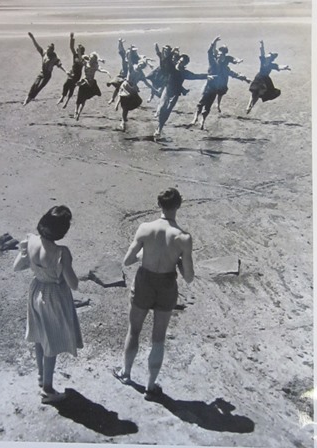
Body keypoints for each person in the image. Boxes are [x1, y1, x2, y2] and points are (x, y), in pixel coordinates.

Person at [113, 188, 194, 400]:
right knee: (158, 337)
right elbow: (189, 277)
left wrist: (143, 254)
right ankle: (150, 386)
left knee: (134, 330)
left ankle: (126, 373)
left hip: (144, 281)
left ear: (159, 205)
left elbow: (128, 260)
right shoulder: (183, 238)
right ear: (178, 205)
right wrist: (177, 262)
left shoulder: (145, 228)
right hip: (167, 284)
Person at [13, 205, 83, 404]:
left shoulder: (31, 240)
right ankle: (48, 389)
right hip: (54, 295)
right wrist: (63, 269)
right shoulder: (61, 252)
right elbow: (74, 284)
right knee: (51, 341)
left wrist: (26, 254)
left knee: (39, 336)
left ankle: (41, 375)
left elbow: (16, 267)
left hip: (36, 289)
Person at [190, 36, 250, 130]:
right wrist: (213, 41)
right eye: (218, 55)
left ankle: (202, 122)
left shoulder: (225, 67)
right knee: (200, 103)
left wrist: (245, 79)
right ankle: (195, 118)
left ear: (223, 57)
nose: (219, 57)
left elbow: (233, 74)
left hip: (215, 89)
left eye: (221, 56)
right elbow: (209, 52)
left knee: (208, 106)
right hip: (208, 87)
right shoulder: (212, 63)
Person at [154, 52, 213, 139]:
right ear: (178, 60)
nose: (180, 63)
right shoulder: (171, 68)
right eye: (180, 61)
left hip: (175, 94)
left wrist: (207, 76)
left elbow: (195, 76)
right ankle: (159, 125)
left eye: (183, 62)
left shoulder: (184, 73)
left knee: (167, 111)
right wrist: (172, 52)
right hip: (167, 91)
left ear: (185, 64)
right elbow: (164, 61)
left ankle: (159, 129)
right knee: (162, 108)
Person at [115, 46, 157, 131]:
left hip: (132, 90)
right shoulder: (131, 67)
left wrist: (154, 90)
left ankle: (124, 119)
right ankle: (122, 121)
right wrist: (130, 51)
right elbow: (129, 60)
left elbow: (147, 83)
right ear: (138, 63)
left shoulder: (141, 74)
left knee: (132, 104)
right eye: (141, 63)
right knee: (124, 106)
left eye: (143, 65)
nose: (141, 65)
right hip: (126, 86)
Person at [246, 40, 291, 114]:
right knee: (254, 92)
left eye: (269, 57)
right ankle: (248, 106)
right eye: (267, 56)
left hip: (265, 80)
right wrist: (262, 44)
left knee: (257, 94)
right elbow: (262, 52)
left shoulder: (271, 65)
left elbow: (278, 67)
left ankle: (251, 106)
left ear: (270, 59)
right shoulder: (263, 60)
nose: (267, 57)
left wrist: (285, 67)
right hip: (259, 78)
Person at [23, 32, 66, 106]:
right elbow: (37, 46)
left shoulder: (54, 58)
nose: (48, 50)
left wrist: (66, 71)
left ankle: (29, 99)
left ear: (52, 51)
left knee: (39, 87)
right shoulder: (44, 53)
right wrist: (32, 37)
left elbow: (60, 65)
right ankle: (27, 99)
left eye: (50, 50)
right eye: (48, 49)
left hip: (47, 75)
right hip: (42, 72)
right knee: (34, 85)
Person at [74, 51, 110, 120]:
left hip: (90, 84)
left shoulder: (95, 65)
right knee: (79, 98)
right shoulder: (86, 63)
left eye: (93, 59)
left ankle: (79, 113)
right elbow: (80, 58)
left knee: (83, 100)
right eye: (90, 58)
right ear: (89, 57)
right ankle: (76, 111)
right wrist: (79, 50)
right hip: (84, 82)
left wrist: (107, 72)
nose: (91, 60)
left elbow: (101, 69)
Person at [57, 32, 86, 109]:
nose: (77, 51)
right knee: (66, 84)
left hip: (77, 75)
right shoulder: (76, 55)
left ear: (82, 51)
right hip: (72, 72)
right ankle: (62, 98)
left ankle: (66, 102)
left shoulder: (83, 58)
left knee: (71, 88)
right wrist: (71, 38)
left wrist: (79, 51)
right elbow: (71, 47)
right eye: (77, 50)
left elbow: (80, 60)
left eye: (78, 50)